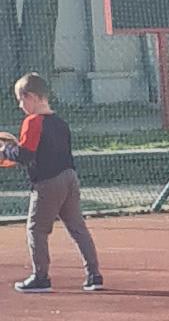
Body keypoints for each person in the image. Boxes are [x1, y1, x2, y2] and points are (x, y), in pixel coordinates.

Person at [4, 76, 103, 293]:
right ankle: (94, 275)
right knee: (77, 227)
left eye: (21, 99)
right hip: (70, 177)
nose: (20, 105)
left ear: (31, 97)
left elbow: (25, 155)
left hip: (48, 182)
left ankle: (40, 277)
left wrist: (6, 150)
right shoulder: (61, 122)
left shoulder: (33, 121)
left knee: (36, 229)